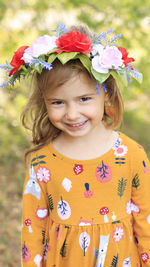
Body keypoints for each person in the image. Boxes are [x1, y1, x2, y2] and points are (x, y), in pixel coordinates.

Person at [1, 22, 150, 267]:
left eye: (84, 99)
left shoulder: (132, 154)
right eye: (58, 102)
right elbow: (33, 231)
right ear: (44, 102)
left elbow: (145, 224)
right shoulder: (42, 162)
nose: (72, 114)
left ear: (107, 94)